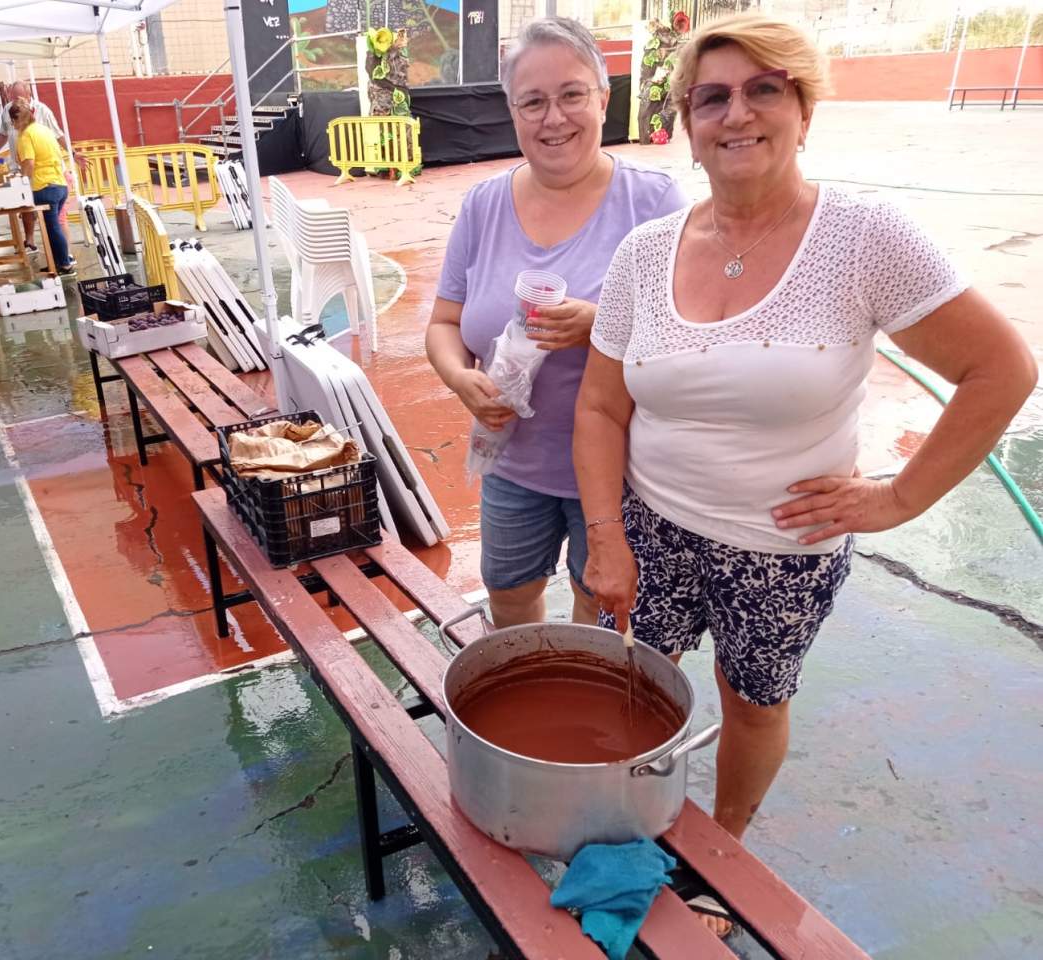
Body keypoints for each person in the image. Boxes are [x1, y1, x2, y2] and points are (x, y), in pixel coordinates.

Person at [575, 13, 1037, 937]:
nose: (736, 113)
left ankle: (722, 855)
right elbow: (599, 407)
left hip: (781, 548)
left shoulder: (861, 237)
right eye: (711, 97)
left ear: (803, 109)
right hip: (649, 525)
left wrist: (898, 498)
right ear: (685, 123)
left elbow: (1001, 369)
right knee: (628, 687)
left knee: (752, 702)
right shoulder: (643, 253)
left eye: (764, 89)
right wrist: (606, 537)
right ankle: (622, 826)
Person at [425, 17, 688, 630]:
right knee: (510, 600)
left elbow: (692, 338)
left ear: (603, 98)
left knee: (599, 612)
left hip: (624, 475)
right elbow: (444, 323)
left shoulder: (653, 204)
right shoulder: (483, 205)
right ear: (511, 112)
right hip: (512, 462)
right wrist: (460, 380)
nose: (554, 118)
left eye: (572, 94)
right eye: (533, 102)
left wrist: (601, 324)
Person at [0, 81, 76, 252]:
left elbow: (58, 135)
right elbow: (3, 133)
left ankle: (65, 255)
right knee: (30, 209)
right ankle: (32, 241)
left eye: (18, 97)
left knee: (55, 220)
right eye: (12, 97)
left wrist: (74, 154)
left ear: (28, 94)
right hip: (31, 172)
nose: (14, 100)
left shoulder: (40, 114)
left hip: (45, 176)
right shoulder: (9, 110)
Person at [9, 98, 75, 275]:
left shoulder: (25, 136)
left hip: (44, 186)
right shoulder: (44, 130)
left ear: (15, 120)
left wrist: (22, 182)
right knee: (51, 226)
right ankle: (57, 262)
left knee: (52, 226)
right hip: (59, 183)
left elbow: (29, 163)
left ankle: (65, 263)